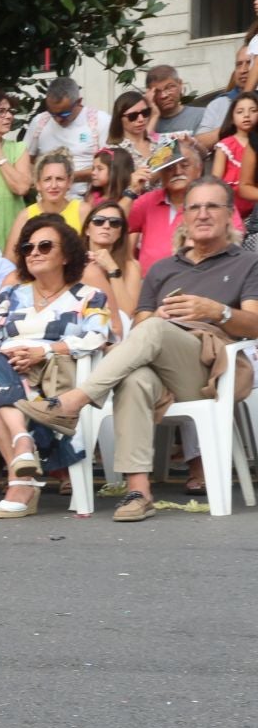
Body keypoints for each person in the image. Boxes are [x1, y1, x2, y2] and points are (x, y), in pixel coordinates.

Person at [50, 177, 258, 523]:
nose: (203, 214)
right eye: (194, 207)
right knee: (136, 378)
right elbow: (142, 321)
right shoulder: (163, 268)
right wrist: (157, 316)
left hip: (213, 368)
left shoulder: (247, 263)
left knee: (154, 331)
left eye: (212, 206)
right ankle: (139, 491)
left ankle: (76, 400)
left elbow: (255, 324)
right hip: (162, 363)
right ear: (184, 217)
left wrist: (217, 312)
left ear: (229, 215)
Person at [0, 216, 112, 518]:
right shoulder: (12, 295)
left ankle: (21, 471)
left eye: (45, 246)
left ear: (66, 255)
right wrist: (10, 354)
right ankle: (22, 454)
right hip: (7, 369)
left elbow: (98, 336)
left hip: (53, 377)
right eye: (27, 247)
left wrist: (43, 350)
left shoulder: (88, 296)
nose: (34, 252)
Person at [126, 141, 207, 272]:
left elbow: (231, 238)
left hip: (196, 281)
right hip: (149, 283)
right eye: (169, 167)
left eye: (185, 165)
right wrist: (132, 190)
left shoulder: (213, 198)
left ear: (199, 169)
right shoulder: (148, 200)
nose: (177, 171)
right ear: (160, 174)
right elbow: (115, 223)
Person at [22, 78, 110, 193]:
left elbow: (110, 166)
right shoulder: (39, 122)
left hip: (87, 197)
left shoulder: (100, 121)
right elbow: (25, 161)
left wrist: (66, 177)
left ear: (79, 102)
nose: (58, 119)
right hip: (47, 199)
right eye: (52, 113)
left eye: (64, 114)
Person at [5, 152, 84, 260]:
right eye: (47, 179)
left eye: (60, 179)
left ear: (69, 182)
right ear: (38, 184)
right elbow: (10, 259)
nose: (53, 185)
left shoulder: (82, 211)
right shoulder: (26, 216)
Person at [81, 200, 142, 317]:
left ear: (120, 233)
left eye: (114, 223)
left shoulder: (131, 266)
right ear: (87, 230)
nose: (106, 226)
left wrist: (112, 269)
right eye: (98, 221)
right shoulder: (73, 261)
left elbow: (127, 313)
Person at [210, 91, 258, 219]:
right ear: (231, 117)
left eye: (253, 110)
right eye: (240, 111)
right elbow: (216, 180)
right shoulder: (226, 145)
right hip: (233, 208)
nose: (247, 115)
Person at [146, 64, 205, 136]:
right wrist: (154, 116)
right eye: (157, 91)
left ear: (180, 84)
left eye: (169, 87)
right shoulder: (143, 123)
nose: (164, 95)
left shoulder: (202, 115)